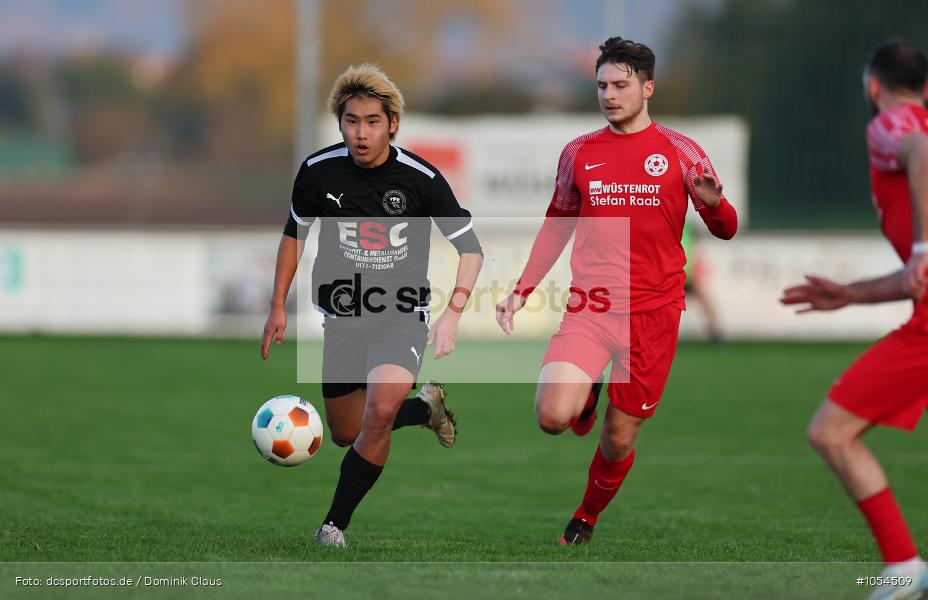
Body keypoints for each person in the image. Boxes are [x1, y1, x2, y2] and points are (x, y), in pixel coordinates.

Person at [495, 36, 737, 544]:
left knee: (617, 438)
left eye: (621, 85)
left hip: (653, 316)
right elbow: (557, 223)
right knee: (551, 417)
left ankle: (586, 516)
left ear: (647, 88)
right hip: (592, 305)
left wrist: (713, 205)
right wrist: (522, 288)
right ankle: (584, 399)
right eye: (601, 85)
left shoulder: (681, 151)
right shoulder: (579, 152)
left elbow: (726, 228)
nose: (609, 95)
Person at [260, 64, 484, 547]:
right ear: (340, 123)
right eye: (351, 121)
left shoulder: (420, 178)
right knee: (346, 431)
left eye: (372, 122)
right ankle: (425, 410)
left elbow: (471, 250)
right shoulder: (318, 171)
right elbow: (293, 235)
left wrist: (454, 312)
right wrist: (277, 304)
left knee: (378, 413)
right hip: (343, 318)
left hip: (401, 316)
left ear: (392, 124)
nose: (361, 133)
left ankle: (332, 526)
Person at [780, 40, 928, 600]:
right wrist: (851, 294)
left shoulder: (889, 124)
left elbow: (920, 153)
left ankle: (902, 565)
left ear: (871, 87)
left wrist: (921, 247)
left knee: (830, 430)